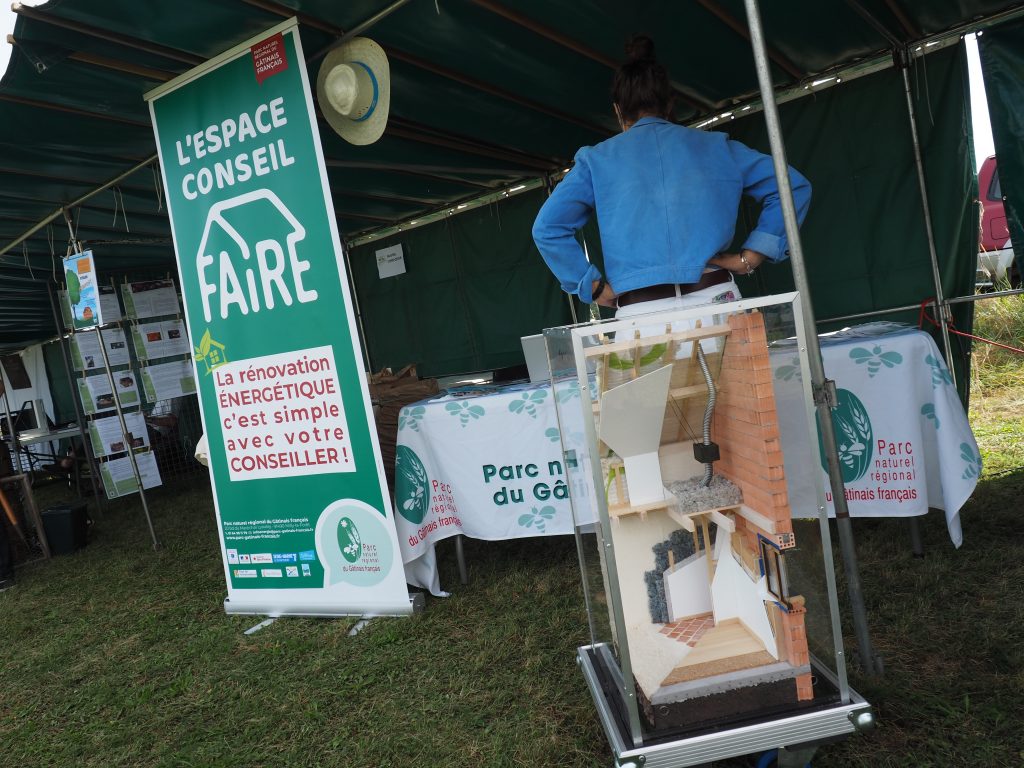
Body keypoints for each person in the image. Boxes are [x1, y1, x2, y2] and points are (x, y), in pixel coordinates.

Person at [532, 35, 811, 317]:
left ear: (617, 109)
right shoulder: (717, 147)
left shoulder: (596, 160)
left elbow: (547, 228)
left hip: (640, 311)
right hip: (715, 297)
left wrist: (591, 286)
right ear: (670, 104)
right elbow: (791, 186)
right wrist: (750, 257)